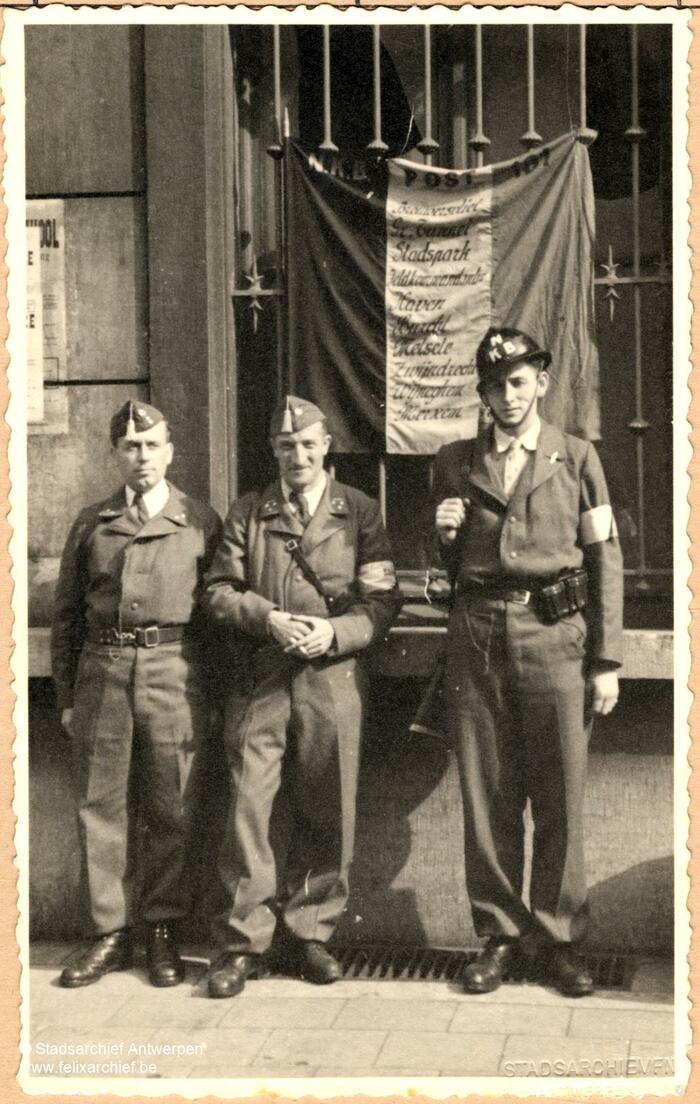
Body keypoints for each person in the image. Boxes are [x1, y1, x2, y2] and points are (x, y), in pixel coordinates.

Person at [433, 327, 623, 998]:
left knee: (561, 794)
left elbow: (605, 558)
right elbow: (446, 574)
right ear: (482, 394)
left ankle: (560, 938)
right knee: (488, 796)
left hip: (555, 639)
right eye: (495, 385)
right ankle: (499, 936)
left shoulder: (575, 457)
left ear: (541, 382)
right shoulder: (454, 462)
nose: (508, 396)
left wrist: (606, 659)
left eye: (519, 381)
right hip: (478, 636)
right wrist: (446, 537)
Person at [202, 395, 401, 999]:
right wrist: (266, 618)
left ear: (326, 448)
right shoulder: (248, 511)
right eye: (287, 446)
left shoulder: (359, 513)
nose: (299, 456)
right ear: (273, 451)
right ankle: (243, 942)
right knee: (247, 805)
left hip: (332, 678)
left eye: (309, 444)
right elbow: (217, 589)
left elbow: (382, 600)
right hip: (261, 675)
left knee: (329, 801)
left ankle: (312, 930)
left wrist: (336, 632)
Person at [51, 401, 222, 989]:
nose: (141, 456)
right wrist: (68, 698)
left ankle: (162, 930)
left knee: (172, 805)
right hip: (104, 668)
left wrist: (212, 694)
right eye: (129, 446)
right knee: (101, 805)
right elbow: (68, 616)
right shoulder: (90, 522)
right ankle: (107, 933)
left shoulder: (197, 519)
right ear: (115, 454)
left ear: (170, 451)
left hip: (175, 672)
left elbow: (217, 616)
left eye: (151, 446)